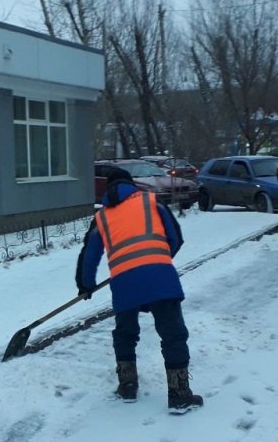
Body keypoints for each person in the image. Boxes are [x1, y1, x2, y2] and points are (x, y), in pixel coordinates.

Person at [75, 168, 203, 413]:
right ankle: (179, 394)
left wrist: (86, 285)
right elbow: (175, 237)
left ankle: (127, 385)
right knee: (172, 333)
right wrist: (160, 258)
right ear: (130, 184)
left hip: (124, 281)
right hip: (159, 276)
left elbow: (90, 254)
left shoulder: (101, 218)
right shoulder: (151, 201)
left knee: (125, 333)